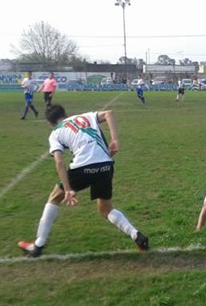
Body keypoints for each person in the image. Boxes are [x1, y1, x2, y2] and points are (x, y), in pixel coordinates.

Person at [18, 104, 149, 257]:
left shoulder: (55, 133)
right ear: (65, 113)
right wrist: (114, 140)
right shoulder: (86, 116)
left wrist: (67, 190)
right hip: (106, 165)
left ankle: (38, 245)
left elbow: (59, 162)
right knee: (106, 209)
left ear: (51, 123)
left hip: (82, 167)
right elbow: (109, 113)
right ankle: (136, 235)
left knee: (54, 198)